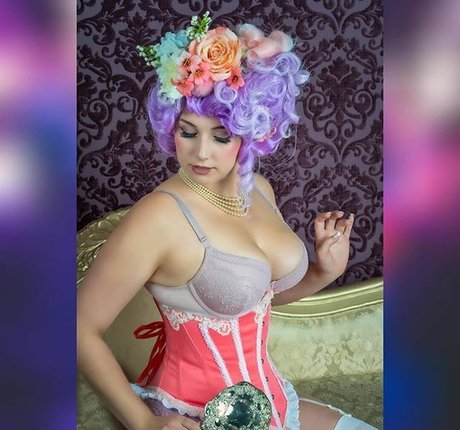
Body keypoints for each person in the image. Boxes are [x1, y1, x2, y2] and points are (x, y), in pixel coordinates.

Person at [77, 13, 378, 430]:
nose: (201, 152)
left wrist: (323, 272)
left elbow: (252, 300)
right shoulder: (158, 217)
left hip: (275, 403)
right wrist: (143, 422)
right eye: (187, 132)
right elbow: (79, 327)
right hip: (194, 416)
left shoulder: (259, 190)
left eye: (221, 136)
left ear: (252, 131)